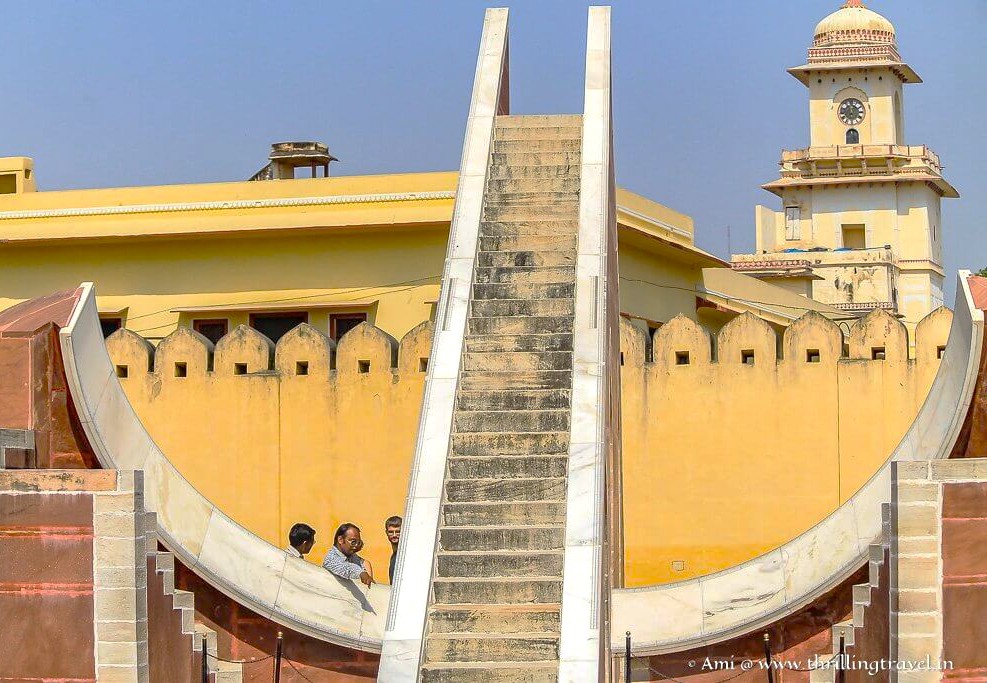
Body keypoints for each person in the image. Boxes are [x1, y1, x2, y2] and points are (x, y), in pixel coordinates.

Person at [322, 523, 373, 587]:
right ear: (340, 540)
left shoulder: (353, 557)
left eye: (358, 542)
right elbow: (343, 567)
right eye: (353, 542)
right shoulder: (330, 558)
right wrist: (360, 573)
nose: (356, 545)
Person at [385, 516, 402, 584]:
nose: (394, 535)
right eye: (391, 532)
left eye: (398, 532)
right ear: (386, 533)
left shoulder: (406, 554)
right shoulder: (394, 555)